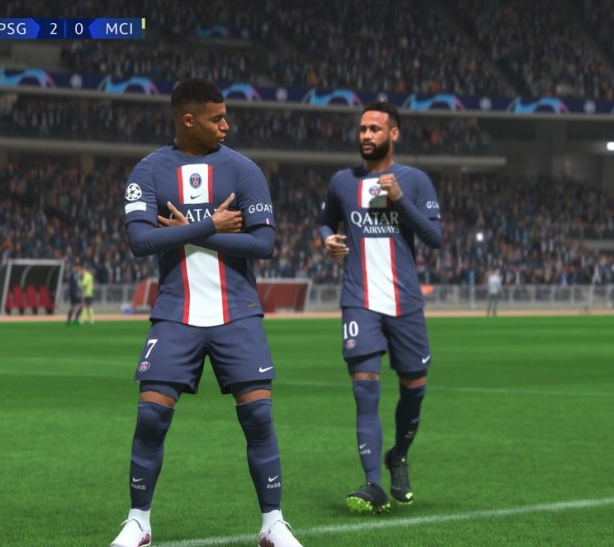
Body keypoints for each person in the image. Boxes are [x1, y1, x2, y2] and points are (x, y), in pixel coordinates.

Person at [111, 78, 302, 547]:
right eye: (216, 118)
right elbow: (140, 241)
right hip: (176, 310)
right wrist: (212, 224)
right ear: (188, 120)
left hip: (237, 310)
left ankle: (273, 523)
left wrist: (197, 230)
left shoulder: (244, 170)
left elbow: (263, 243)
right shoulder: (148, 171)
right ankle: (138, 522)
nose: (226, 124)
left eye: (225, 116)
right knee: (151, 417)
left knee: (258, 418)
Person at [319, 101, 442, 514]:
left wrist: (401, 200)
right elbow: (326, 220)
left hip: (405, 303)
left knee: (414, 389)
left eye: (374, 128)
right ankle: (373, 483)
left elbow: (434, 238)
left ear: (394, 134)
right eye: (362, 129)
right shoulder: (342, 182)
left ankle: (398, 456)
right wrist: (327, 239)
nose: (366, 135)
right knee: (365, 389)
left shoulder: (415, 180)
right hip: (359, 301)